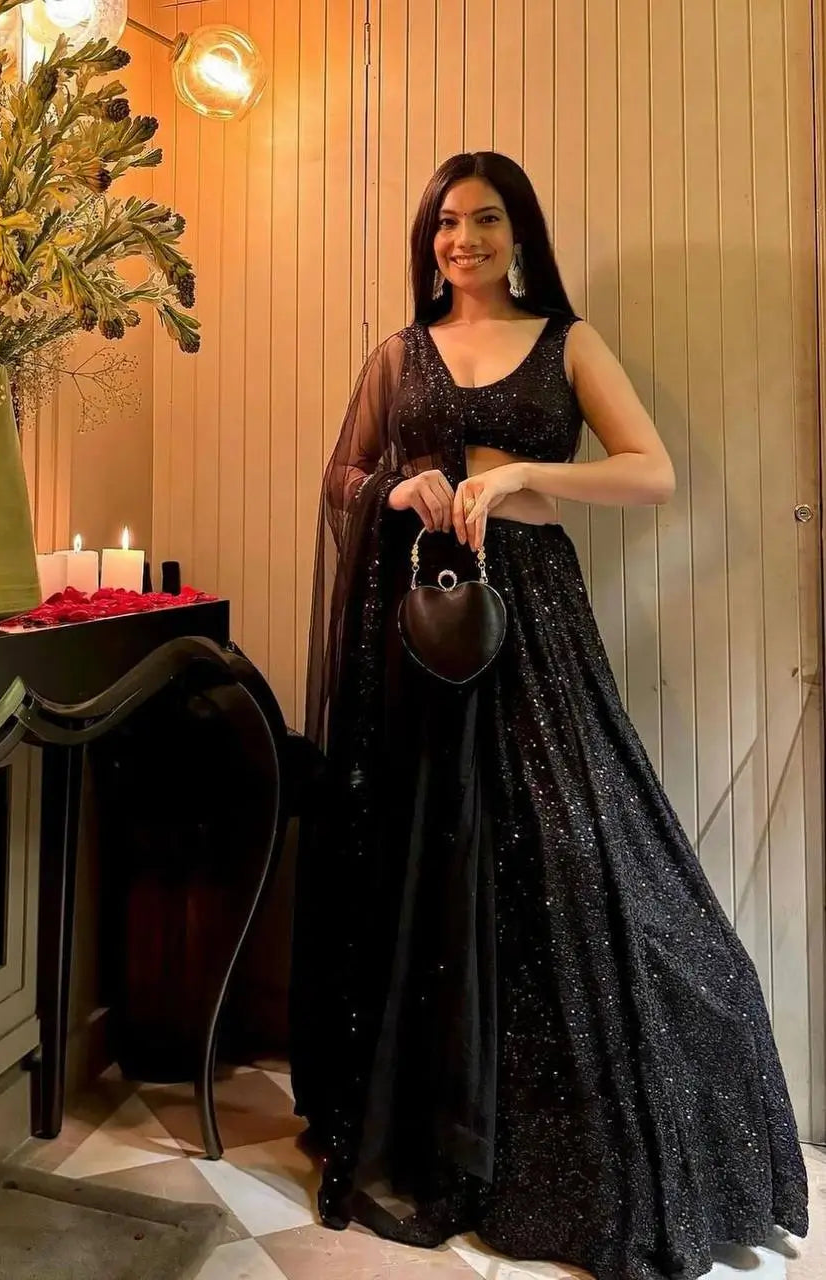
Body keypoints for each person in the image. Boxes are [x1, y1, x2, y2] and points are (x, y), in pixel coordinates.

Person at [290, 151, 808, 1280]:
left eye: (483, 220)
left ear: (517, 233)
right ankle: (431, 1128)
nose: (461, 240)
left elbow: (650, 472)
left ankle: (560, 1148)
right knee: (423, 858)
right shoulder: (398, 354)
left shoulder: (567, 342)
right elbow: (339, 474)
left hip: (532, 619)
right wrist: (396, 488)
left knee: (569, 847)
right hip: (418, 626)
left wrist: (522, 478)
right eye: (445, 222)